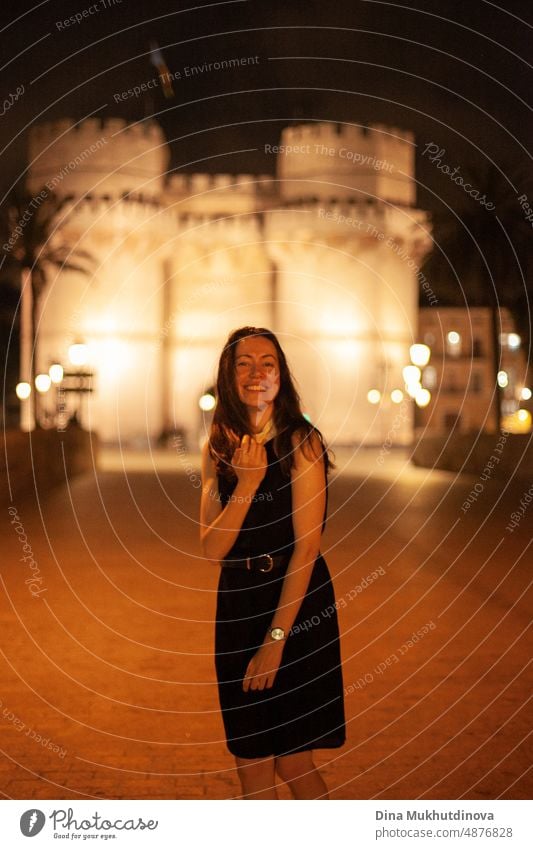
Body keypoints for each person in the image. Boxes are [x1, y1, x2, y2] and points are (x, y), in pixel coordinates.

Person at [200, 326, 346, 799]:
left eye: (268, 363)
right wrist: (246, 484)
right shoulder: (218, 447)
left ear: (281, 375)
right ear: (228, 374)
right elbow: (212, 548)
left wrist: (277, 641)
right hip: (238, 603)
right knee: (250, 762)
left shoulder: (303, 444)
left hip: (297, 606)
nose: (256, 373)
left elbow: (306, 547)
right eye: (244, 363)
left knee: (294, 760)